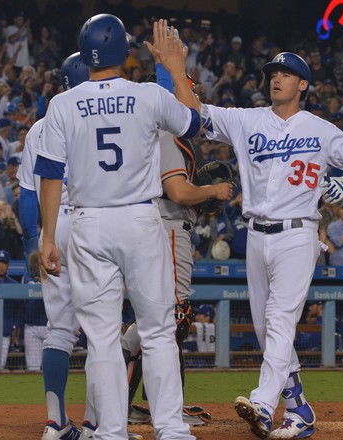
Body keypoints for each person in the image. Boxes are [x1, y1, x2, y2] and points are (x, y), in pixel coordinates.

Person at [151, 35, 343, 438]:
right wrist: (174, 71)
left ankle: (262, 402)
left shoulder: (320, 129)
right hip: (256, 234)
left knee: (279, 320)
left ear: (302, 84)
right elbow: (195, 113)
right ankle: (299, 408)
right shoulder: (247, 119)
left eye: (286, 74)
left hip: (297, 233)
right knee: (264, 329)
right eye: (273, 73)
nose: (277, 79)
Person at [34, 14, 199, 440]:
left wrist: (49, 236)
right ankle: (172, 430)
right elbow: (194, 123)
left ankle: (110, 432)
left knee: (101, 338)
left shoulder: (62, 104)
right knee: (159, 330)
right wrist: (175, 70)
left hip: (89, 222)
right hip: (141, 220)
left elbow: (51, 176)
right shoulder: (147, 95)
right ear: (125, 52)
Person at [121, 70, 232, 426]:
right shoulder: (167, 131)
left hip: (150, 223)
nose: (194, 94)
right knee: (174, 319)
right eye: (187, 87)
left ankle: (129, 397)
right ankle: (166, 406)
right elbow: (179, 193)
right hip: (166, 223)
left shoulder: (151, 129)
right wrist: (213, 192)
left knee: (159, 318)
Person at [18, 52, 97, 440]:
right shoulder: (102, 116)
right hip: (96, 222)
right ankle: (100, 426)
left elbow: (28, 196)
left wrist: (35, 241)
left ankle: (55, 423)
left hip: (56, 225)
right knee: (101, 331)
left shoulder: (39, 127)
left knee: (59, 330)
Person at [0, 249, 20, 369]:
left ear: (8, 265)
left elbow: (18, 310)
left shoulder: (14, 285)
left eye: (4, 262)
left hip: (5, 333)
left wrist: (16, 327)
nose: (0, 265)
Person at [22, 250, 47, 371]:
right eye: (35, 263)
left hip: (50, 326)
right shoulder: (26, 278)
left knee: (51, 367)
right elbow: (25, 303)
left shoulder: (52, 277)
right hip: (31, 326)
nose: (37, 265)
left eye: (39, 263)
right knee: (33, 368)